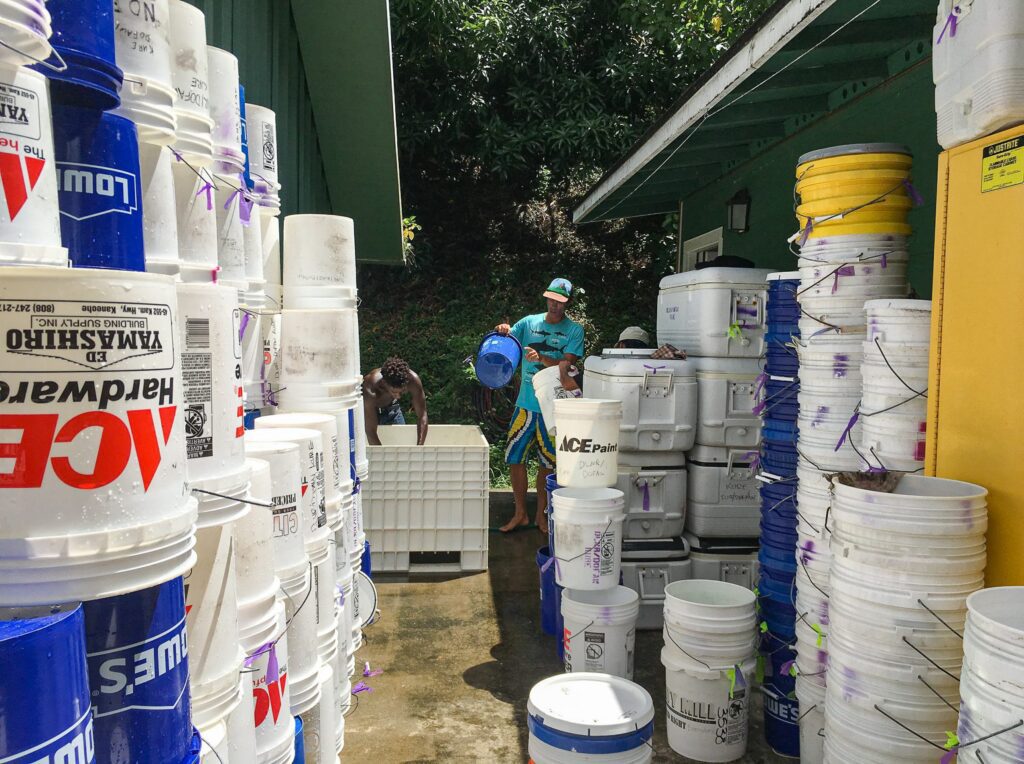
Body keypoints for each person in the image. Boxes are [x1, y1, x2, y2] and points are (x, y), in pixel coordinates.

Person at [495, 277, 585, 533]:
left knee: (549, 463)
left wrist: (542, 357)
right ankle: (520, 513)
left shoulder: (574, 331)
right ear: (546, 298)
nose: (555, 305)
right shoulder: (530, 322)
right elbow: (508, 339)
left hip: (553, 409)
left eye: (560, 301)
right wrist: (503, 330)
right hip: (524, 406)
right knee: (515, 458)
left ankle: (541, 516)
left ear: (567, 303)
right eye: (551, 299)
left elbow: (567, 369)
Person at [363, 356, 429, 446]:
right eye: (394, 392)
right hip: (373, 413)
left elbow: (422, 415)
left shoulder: (413, 380)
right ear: (384, 383)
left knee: (401, 445)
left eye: (402, 392)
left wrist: (420, 448)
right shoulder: (370, 388)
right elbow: (370, 431)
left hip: (393, 409)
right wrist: (383, 457)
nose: (398, 397)